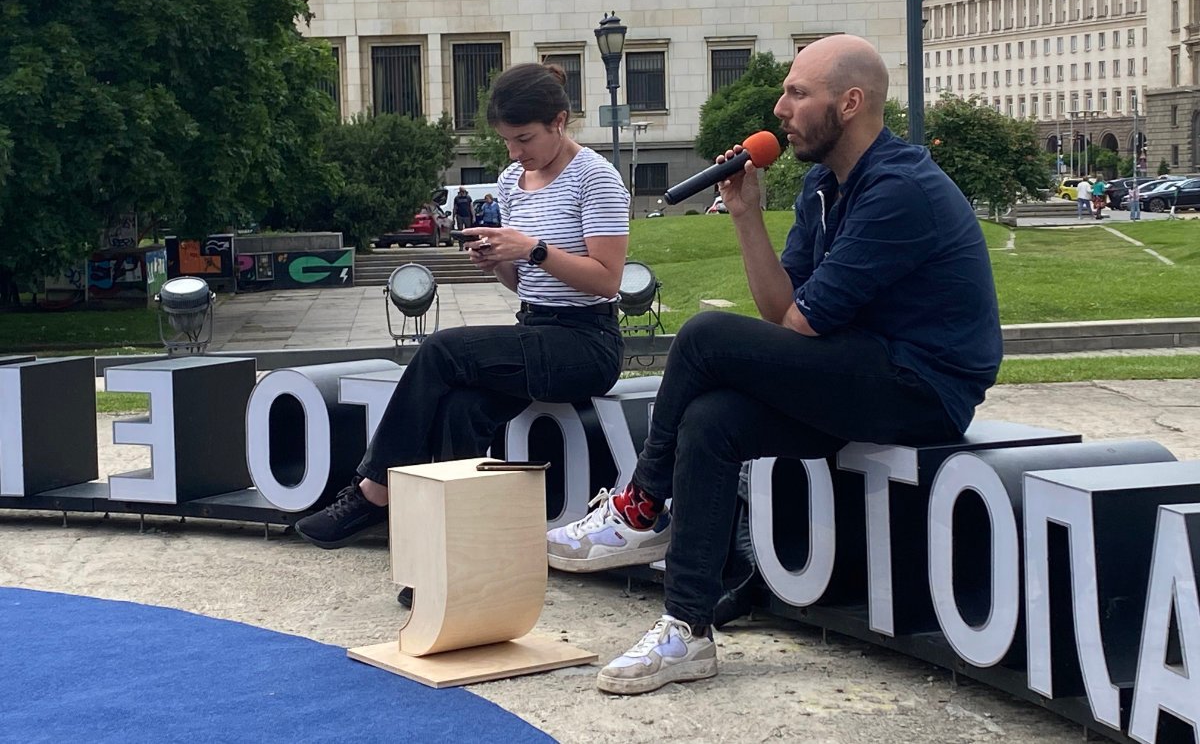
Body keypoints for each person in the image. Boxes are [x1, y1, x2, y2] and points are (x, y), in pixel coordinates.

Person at [546, 34, 1002, 695]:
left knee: (703, 335)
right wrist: (746, 214)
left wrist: (782, 329)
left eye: (797, 93)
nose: (780, 109)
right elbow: (780, 310)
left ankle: (641, 507)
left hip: (921, 388)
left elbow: (800, 324)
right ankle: (687, 629)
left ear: (849, 103)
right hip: (854, 371)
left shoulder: (899, 190)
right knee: (712, 421)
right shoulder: (823, 184)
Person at [294, 63, 630, 549]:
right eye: (506, 141)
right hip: (535, 328)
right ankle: (455, 549)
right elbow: (523, 283)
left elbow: (607, 279)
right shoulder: (512, 181)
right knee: (460, 408)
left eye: (524, 139)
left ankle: (374, 491)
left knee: (441, 350)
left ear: (559, 122)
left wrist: (531, 248)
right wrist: (497, 260)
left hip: (588, 343)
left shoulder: (595, 177)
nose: (515, 152)